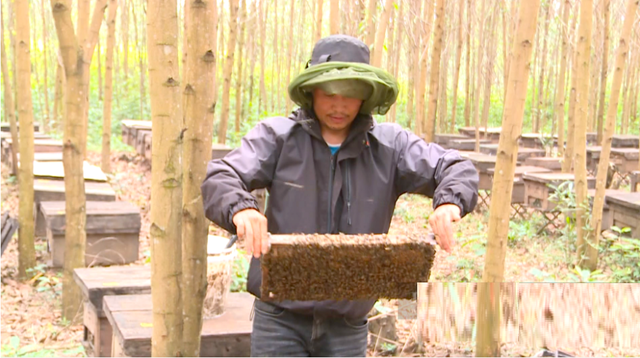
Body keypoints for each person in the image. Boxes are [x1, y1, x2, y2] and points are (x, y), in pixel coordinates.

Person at [201, 34, 479, 357]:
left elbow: (456, 167)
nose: (339, 105)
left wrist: (449, 201)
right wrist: (242, 209)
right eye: (330, 92)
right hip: (280, 321)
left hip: (347, 326)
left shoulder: (390, 147)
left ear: (366, 96)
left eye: (351, 94)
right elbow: (220, 175)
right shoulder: (278, 137)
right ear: (311, 90)